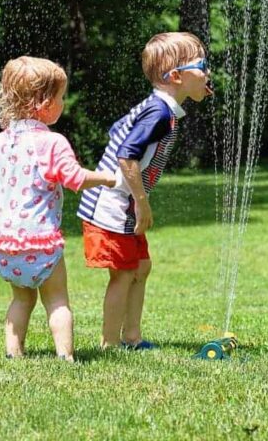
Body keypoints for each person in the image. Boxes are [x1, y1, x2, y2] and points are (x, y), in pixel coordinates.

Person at [77, 32, 213, 349]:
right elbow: (126, 155)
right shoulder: (159, 112)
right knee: (123, 274)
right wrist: (142, 201)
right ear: (176, 77)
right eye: (202, 65)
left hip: (122, 202)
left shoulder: (159, 108)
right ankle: (110, 344)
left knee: (141, 267)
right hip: (111, 204)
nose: (207, 73)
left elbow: (118, 130)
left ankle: (132, 338)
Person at [0, 56, 115, 361]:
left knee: (21, 300)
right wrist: (107, 178)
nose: (64, 103)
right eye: (61, 97)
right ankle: (65, 357)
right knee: (57, 301)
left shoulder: (0, 142)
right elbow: (75, 178)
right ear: (43, 103)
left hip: (6, 245)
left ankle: (14, 354)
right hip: (41, 244)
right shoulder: (52, 142)